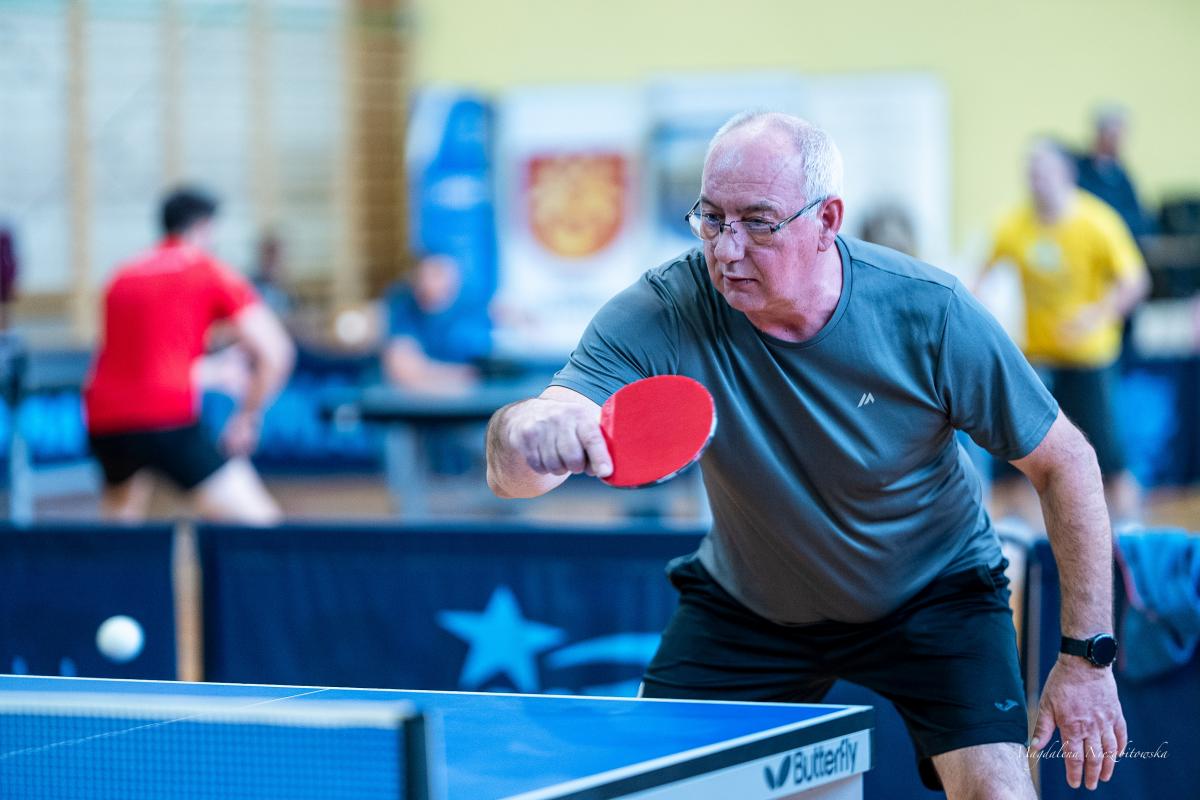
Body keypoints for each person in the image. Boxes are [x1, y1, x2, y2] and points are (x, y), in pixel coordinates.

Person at [486, 112, 1125, 797]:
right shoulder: (666, 308)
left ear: (827, 221)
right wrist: (527, 432)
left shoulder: (930, 312)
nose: (727, 249)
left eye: (758, 222)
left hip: (934, 594)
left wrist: (1087, 660)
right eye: (711, 218)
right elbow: (516, 471)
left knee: (998, 790)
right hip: (751, 607)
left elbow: (1066, 463)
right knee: (652, 787)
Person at [84, 187, 295, 524]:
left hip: (104, 421)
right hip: (166, 416)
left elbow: (140, 357)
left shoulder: (122, 275)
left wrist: (209, 368)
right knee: (261, 523)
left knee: (120, 526)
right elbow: (276, 351)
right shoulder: (206, 269)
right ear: (203, 228)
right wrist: (247, 417)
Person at [981, 140, 1149, 525]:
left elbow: (1135, 282)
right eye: (1031, 172)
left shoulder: (1097, 222)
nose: (1036, 180)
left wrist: (1097, 314)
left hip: (1089, 360)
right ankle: (1021, 538)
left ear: (1067, 174)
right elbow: (978, 281)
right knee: (1016, 458)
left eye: (1044, 171)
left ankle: (1128, 535)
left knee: (1109, 460)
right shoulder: (1013, 224)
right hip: (1037, 360)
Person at [382, 252, 489, 394]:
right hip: (414, 400)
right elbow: (403, 370)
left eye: (437, 273)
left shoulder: (475, 303)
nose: (428, 283)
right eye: (421, 275)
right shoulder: (403, 303)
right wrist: (461, 374)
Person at [1075, 106, 1152, 241]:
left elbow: (1138, 217)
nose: (1118, 142)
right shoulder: (1078, 172)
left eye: (1122, 135)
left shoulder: (1122, 176)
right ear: (1099, 134)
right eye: (1113, 135)